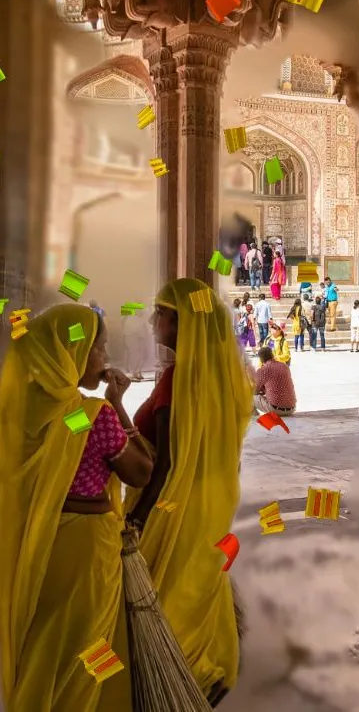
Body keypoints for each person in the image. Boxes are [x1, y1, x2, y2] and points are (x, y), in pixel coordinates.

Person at [0, 303, 154, 712]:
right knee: (86, 641)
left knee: (47, 638)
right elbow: (140, 472)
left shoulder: (18, 411)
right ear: (76, 354)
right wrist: (118, 405)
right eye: (100, 349)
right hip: (86, 552)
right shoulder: (90, 415)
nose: (105, 358)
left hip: (37, 545)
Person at [124, 279, 253, 707]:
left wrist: (139, 516)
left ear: (182, 324)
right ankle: (204, 671)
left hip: (174, 503)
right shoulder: (228, 375)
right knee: (199, 583)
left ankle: (180, 678)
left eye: (160, 313)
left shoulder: (178, 379)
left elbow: (166, 464)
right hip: (213, 501)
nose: (152, 320)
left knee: (168, 592)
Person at [253, 347, 296, 416]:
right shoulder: (284, 366)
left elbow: (255, 390)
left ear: (261, 359)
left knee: (250, 397)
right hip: (291, 408)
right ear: (272, 355)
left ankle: (255, 418)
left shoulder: (263, 370)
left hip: (276, 409)